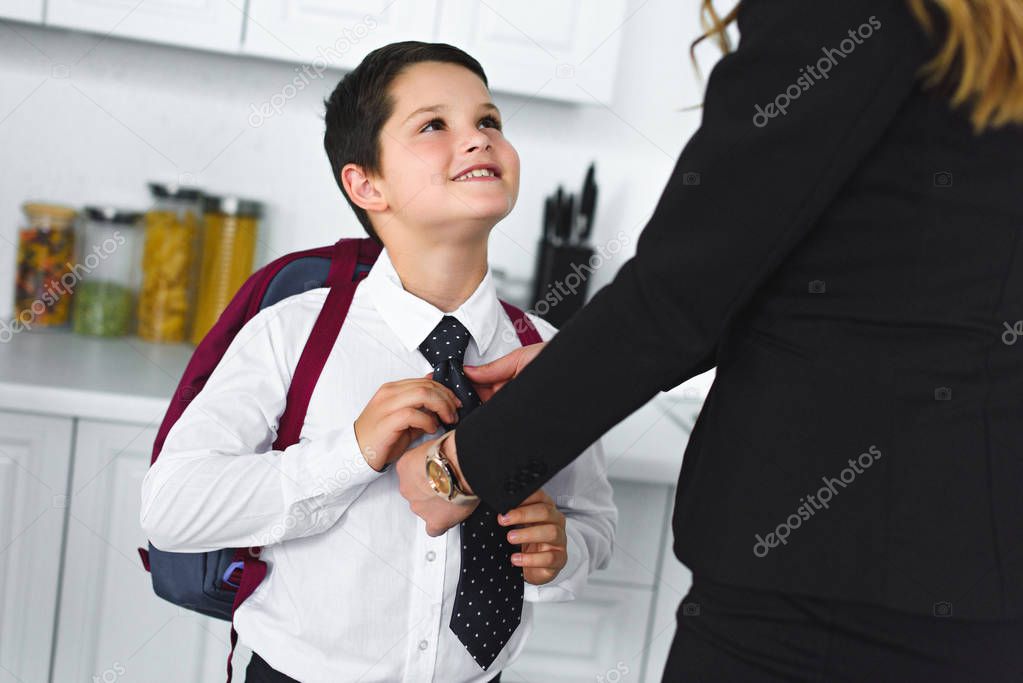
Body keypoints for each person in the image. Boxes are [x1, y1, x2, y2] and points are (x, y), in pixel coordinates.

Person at [393, 1, 1023, 681]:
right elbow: (876, 273)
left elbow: (683, 289)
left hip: (823, 565)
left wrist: (461, 467)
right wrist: (566, 365)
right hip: (979, 565)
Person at [139, 41, 617, 683]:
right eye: (433, 125)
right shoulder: (294, 334)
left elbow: (593, 521)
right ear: (367, 184)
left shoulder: (545, 351)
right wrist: (351, 454)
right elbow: (170, 508)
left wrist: (563, 550)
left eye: (489, 121)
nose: (476, 140)